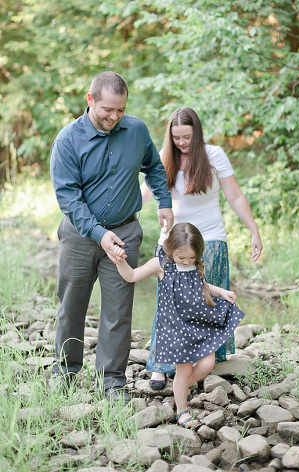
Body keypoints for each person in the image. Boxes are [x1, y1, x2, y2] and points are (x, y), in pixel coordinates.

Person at [50, 71, 173, 403]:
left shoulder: (135, 130)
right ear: (90, 100)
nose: (114, 117)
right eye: (107, 110)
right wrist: (99, 234)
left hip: (125, 233)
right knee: (71, 306)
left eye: (120, 110)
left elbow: (155, 166)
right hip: (80, 235)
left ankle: (113, 381)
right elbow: (69, 199)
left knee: (118, 310)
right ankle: (65, 371)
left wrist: (164, 201)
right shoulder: (67, 140)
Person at [141, 107, 262, 390]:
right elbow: (144, 194)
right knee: (169, 304)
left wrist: (254, 231)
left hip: (210, 237)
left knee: (206, 301)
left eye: (186, 137)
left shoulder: (214, 155)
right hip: (173, 242)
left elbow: (235, 195)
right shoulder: (163, 157)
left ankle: (202, 360)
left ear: (197, 134)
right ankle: (161, 365)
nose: (181, 143)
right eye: (176, 138)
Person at [113, 222, 245, 428]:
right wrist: (120, 261)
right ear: (170, 248)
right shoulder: (161, 264)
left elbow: (200, 286)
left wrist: (220, 291)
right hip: (175, 328)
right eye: (182, 257)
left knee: (207, 364)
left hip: (197, 322)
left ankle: (179, 388)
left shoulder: (194, 263)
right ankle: (182, 411)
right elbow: (131, 275)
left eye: (192, 258)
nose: (186, 262)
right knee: (183, 370)